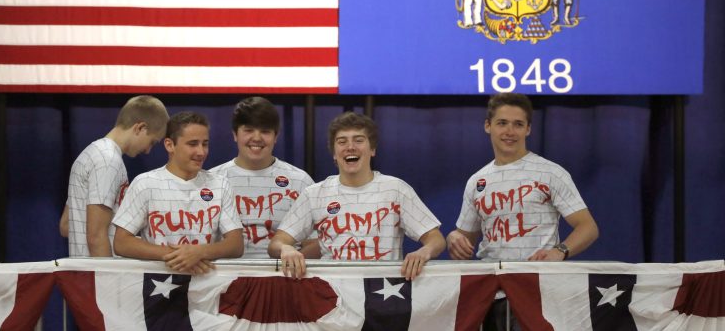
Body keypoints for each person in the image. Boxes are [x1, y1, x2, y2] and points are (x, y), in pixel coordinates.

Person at [446, 92, 599, 330]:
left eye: (518, 124)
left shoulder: (550, 173)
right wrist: (454, 237)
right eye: (502, 123)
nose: (510, 131)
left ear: (528, 129)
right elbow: (465, 237)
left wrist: (560, 252)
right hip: (490, 294)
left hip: (538, 290)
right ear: (488, 126)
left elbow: (588, 227)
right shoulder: (477, 181)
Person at [268, 112, 446, 281]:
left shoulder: (396, 189)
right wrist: (286, 248)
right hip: (332, 291)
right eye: (342, 141)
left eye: (358, 140)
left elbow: (436, 239)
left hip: (383, 291)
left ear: (373, 149)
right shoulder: (314, 194)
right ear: (334, 154)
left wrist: (424, 252)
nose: (350, 147)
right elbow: (276, 243)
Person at [112, 111, 244, 274]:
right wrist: (182, 256)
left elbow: (236, 244)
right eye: (193, 144)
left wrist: (200, 252)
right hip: (158, 287)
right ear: (169, 145)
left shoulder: (220, 184)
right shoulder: (145, 183)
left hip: (209, 287)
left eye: (205, 143)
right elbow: (121, 242)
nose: (201, 152)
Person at [60, 95, 169, 257]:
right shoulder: (108, 161)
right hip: (97, 278)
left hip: (84, 274)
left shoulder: (91, 153)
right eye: (152, 142)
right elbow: (96, 237)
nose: (148, 150)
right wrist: (106, 280)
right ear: (140, 128)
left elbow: (66, 225)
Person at [209, 97, 317, 258]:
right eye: (248, 130)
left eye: (265, 131)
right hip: (223, 276)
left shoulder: (300, 181)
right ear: (234, 134)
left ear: (276, 136)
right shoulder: (211, 181)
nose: (257, 137)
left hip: (284, 276)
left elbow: (314, 243)